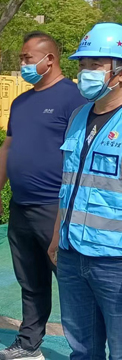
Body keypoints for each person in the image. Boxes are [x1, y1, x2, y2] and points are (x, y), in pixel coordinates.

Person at [0, 32, 86, 360]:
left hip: (55, 208)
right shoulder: (21, 102)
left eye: (27, 58)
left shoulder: (74, 98)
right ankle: (29, 345)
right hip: (21, 206)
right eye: (21, 58)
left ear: (49, 59)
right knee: (30, 279)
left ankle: (88, 349)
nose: (23, 64)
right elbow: (8, 146)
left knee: (71, 280)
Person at [47, 23, 122, 360]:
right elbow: (69, 184)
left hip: (115, 261)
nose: (85, 72)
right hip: (72, 253)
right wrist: (56, 236)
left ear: (119, 71)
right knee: (82, 349)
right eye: (82, 64)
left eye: (96, 65)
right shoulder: (78, 117)